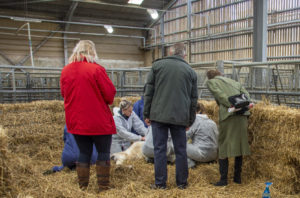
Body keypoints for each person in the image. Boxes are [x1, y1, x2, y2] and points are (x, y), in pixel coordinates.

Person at [60, 40, 116, 192]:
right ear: (92, 52)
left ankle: (82, 187)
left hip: (77, 121)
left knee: (84, 152)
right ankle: (103, 187)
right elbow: (109, 95)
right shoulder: (96, 69)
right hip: (98, 121)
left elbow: (64, 94)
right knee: (103, 152)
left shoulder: (65, 70)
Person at [143, 42, 198, 189]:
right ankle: (182, 183)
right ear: (184, 55)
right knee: (181, 150)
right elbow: (194, 100)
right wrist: (190, 120)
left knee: (159, 149)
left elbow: (149, 92)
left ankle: (160, 184)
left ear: (170, 53)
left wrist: (146, 113)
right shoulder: (191, 72)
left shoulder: (157, 66)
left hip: (158, 115)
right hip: (180, 117)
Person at [206, 69, 251, 186]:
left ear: (210, 77)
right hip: (242, 115)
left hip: (229, 115)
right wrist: (241, 105)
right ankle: (237, 178)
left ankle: (223, 179)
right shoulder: (234, 82)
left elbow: (220, 96)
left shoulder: (212, 82)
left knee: (223, 145)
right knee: (240, 144)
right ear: (221, 75)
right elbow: (247, 96)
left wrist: (232, 105)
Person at [186, 103, 219, 168]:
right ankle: (208, 161)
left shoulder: (194, 121)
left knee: (178, 144)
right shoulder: (212, 122)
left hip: (202, 154)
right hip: (214, 155)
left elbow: (184, 137)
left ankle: (190, 164)